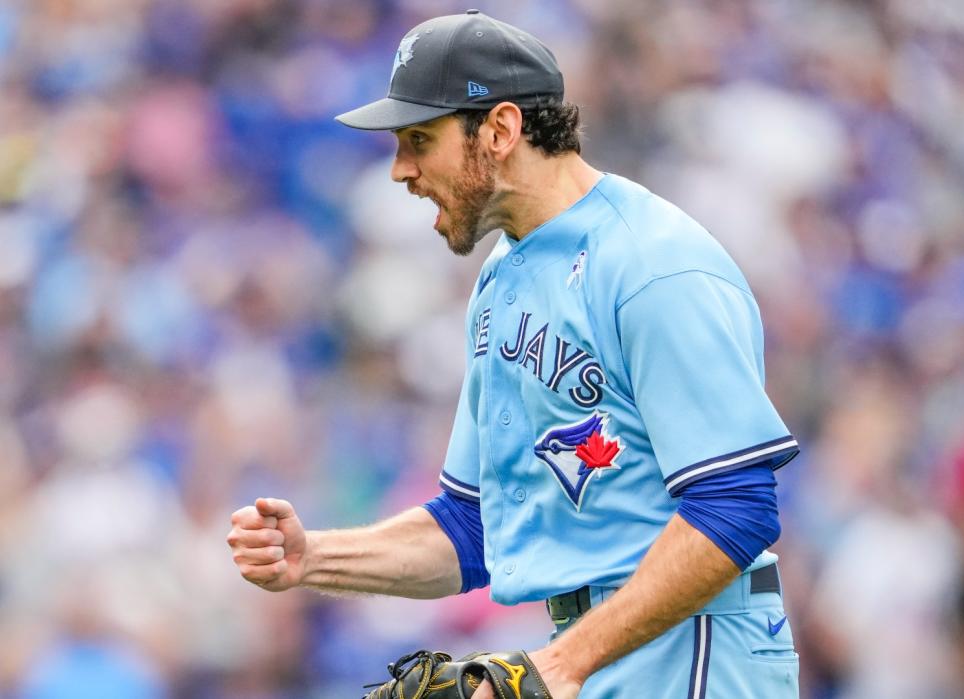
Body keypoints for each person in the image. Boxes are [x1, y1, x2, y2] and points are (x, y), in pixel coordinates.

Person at [226, 10, 800, 698]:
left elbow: (735, 504)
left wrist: (561, 663)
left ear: (499, 131)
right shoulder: (502, 279)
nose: (400, 170)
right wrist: (314, 556)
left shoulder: (652, 262)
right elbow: (475, 530)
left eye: (418, 139)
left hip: (696, 648)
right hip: (596, 647)